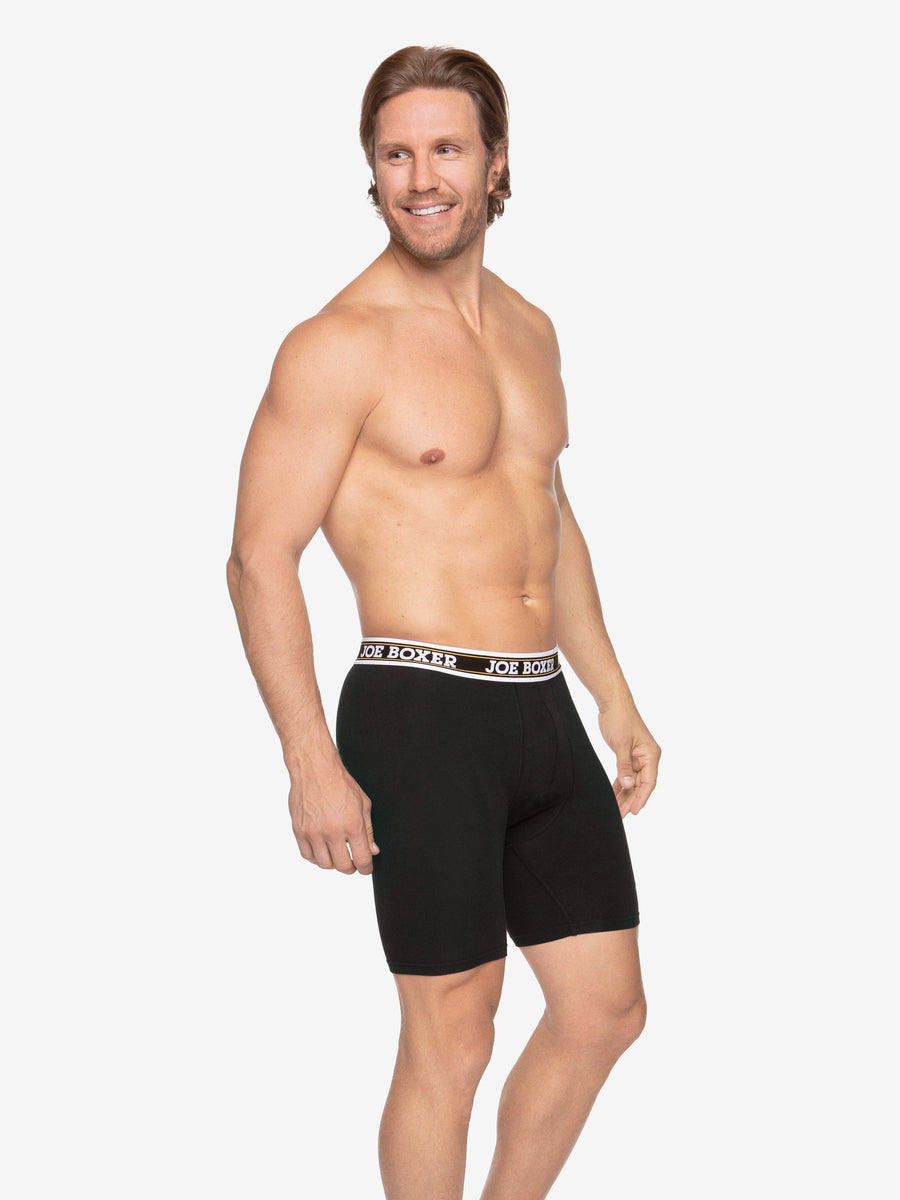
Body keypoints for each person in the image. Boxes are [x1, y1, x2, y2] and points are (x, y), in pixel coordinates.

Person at [227, 44, 660, 1200]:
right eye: (397, 154)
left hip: (540, 709)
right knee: (455, 1032)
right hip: (419, 711)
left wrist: (613, 694)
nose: (422, 178)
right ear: (372, 170)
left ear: (496, 161)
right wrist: (310, 762)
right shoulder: (339, 344)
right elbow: (259, 556)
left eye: (447, 150)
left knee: (606, 1010)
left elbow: (549, 519)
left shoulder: (530, 328)